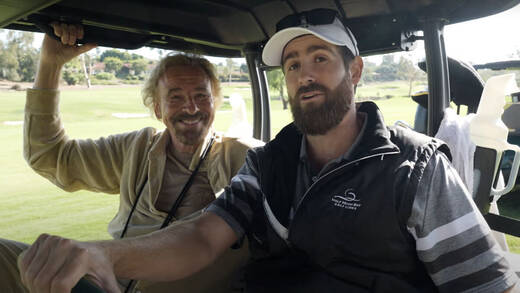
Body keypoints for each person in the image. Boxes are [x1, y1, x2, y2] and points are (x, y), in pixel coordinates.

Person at [18, 9, 518, 293]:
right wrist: (103, 254)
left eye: (320, 58)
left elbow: (485, 285)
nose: (304, 74)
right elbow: (200, 238)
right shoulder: (269, 164)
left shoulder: (416, 168)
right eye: (294, 64)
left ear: (356, 71)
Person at [0, 22, 263, 292]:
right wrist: (49, 65)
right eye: (176, 97)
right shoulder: (135, 149)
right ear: (158, 109)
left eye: (201, 96)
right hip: (105, 284)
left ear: (214, 103)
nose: (191, 107)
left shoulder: (243, 157)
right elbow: (49, 155)